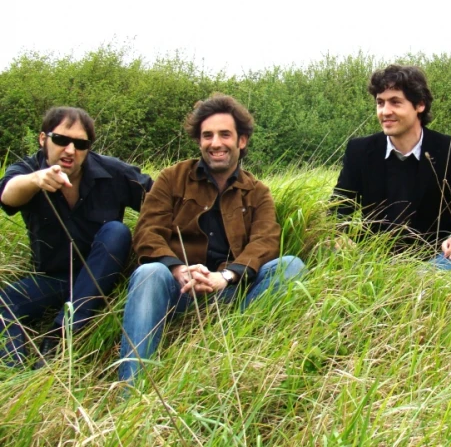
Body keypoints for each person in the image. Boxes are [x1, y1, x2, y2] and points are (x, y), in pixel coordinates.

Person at [119, 94, 304, 382]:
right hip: (178, 290)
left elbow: (266, 241)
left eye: (224, 134)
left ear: (241, 141)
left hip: (231, 292)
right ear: (199, 140)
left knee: (290, 265)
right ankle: (131, 390)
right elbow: (147, 230)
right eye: (207, 135)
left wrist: (226, 276)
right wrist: (178, 269)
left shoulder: (257, 191)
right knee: (148, 272)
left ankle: (235, 354)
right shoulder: (172, 178)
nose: (215, 143)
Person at [0, 107, 152, 367]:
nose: (70, 150)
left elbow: (159, 201)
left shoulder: (113, 172)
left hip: (102, 278)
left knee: (116, 231)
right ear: (43, 139)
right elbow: (7, 194)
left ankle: (62, 334)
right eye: (61, 140)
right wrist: (36, 180)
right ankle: (15, 372)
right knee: (4, 303)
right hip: (55, 278)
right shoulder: (29, 170)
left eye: (81, 144)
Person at [333, 64, 451, 269]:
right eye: (380, 103)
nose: (385, 111)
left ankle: (414, 285)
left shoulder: (449, 149)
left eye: (395, 102)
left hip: (435, 259)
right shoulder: (360, 150)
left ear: (419, 105)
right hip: (372, 262)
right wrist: (340, 236)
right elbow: (339, 206)